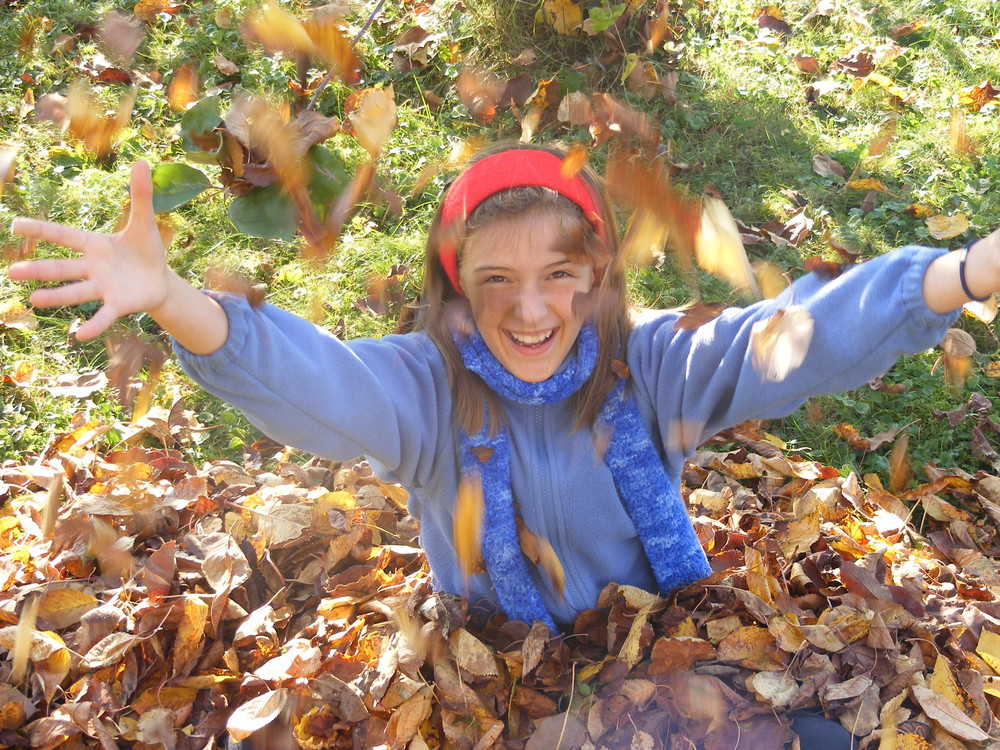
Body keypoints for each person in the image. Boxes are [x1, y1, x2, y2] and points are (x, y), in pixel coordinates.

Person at [8, 143, 998, 749]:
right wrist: (179, 303)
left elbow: (789, 340)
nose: (531, 310)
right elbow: (321, 386)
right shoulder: (429, 390)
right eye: (496, 280)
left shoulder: (648, 366)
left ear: (597, 276)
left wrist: (958, 272)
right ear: (453, 281)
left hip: (664, 642)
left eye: (561, 275)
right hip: (505, 681)